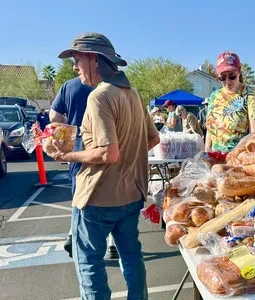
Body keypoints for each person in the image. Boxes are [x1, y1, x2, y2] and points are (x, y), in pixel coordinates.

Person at [51, 32, 159, 299]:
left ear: (94, 60)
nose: (74, 67)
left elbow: (107, 154)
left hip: (97, 197)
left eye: (77, 60)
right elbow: (153, 138)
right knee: (132, 258)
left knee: (89, 262)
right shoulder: (133, 93)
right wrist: (127, 156)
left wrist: (67, 157)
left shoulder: (99, 96)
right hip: (131, 194)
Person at [50, 77, 119, 260]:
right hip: (108, 140)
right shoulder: (111, 86)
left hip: (78, 140)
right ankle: (112, 243)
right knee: (109, 192)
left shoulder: (69, 86)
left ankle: (74, 233)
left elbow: (54, 117)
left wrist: (69, 121)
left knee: (80, 191)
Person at [205, 51, 255, 153]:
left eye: (232, 76)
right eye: (222, 77)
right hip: (214, 159)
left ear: (239, 71)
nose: (227, 81)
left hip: (238, 159)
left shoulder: (252, 96)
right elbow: (210, 128)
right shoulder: (214, 96)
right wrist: (207, 150)